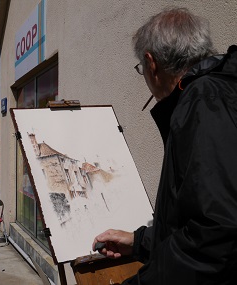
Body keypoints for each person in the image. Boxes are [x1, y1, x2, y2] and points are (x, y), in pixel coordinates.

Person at [92, 8, 237, 285]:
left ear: (151, 63)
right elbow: (199, 212)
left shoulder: (205, 100)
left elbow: (218, 232)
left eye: (140, 68)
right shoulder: (218, 91)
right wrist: (139, 241)